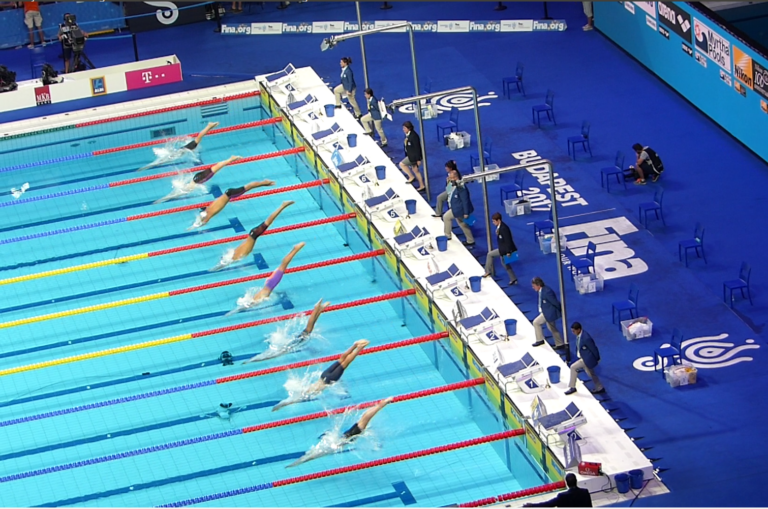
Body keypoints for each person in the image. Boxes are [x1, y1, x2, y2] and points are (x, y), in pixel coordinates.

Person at [287, 396, 393, 468]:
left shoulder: (359, 430)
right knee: (366, 416)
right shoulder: (359, 430)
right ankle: (383, 403)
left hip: (347, 436)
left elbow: (311, 457)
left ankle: (383, 403)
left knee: (366, 416)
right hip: (346, 436)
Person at [272, 339, 369, 411]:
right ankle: (355, 345)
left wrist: (279, 406)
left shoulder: (305, 394)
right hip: (323, 375)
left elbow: (290, 401)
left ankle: (359, 348)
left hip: (328, 380)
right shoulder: (305, 389)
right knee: (341, 360)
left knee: (345, 363)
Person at [209, 200, 294, 271]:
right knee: (267, 222)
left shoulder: (237, 254)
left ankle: (283, 206)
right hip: (251, 236)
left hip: (252, 236)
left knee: (267, 222)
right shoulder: (237, 254)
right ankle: (283, 206)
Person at [243, 298, 330, 363]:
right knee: (308, 329)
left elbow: (264, 357)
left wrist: (250, 361)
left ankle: (316, 309)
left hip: (293, 343)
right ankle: (319, 310)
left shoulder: (277, 352)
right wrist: (251, 360)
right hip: (291, 343)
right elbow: (263, 356)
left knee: (308, 329)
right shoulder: (276, 351)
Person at [227, 242, 305, 315]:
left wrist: (233, 311)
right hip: (270, 284)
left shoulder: (258, 299)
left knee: (283, 264)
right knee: (283, 264)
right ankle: (295, 250)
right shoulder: (258, 299)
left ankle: (295, 250)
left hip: (270, 284)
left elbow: (246, 305)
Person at [187, 179, 275, 230]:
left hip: (230, 195)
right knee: (247, 187)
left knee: (248, 187)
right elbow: (202, 220)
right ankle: (263, 183)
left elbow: (203, 223)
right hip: (227, 193)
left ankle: (264, 183)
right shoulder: (209, 208)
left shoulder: (209, 214)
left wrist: (192, 227)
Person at [155, 155, 242, 204]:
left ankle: (163, 199)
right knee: (182, 192)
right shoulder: (197, 182)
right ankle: (163, 199)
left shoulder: (199, 180)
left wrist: (230, 160)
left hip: (198, 177)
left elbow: (219, 165)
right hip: (198, 178)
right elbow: (219, 165)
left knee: (180, 192)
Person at [138, 122, 220, 171]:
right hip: (183, 150)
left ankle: (209, 126)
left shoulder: (192, 147)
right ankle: (209, 126)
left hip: (184, 149)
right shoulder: (192, 147)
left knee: (198, 138)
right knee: (199, 138)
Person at [565, 323, 604, 395]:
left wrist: (597, 358)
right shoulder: (579, 336)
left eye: (574, 331)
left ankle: (572, 387)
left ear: (579, 330)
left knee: (573, 367)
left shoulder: (586, 338)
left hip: (587, 359)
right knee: (591, 373)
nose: (573, 333)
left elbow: (593, 348)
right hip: (584, 358)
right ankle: (600, 387)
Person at [531, 277, 565, 350]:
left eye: (534, 286)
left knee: (536, 322)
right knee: (551, 328)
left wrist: (559, 310)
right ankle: (559, 343)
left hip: (549, 313)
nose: (533, 288)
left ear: (538, 285)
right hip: (546, 312)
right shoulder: (542, 290)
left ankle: (540, 340)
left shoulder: (547, 292)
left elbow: (555, 302)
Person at [484, 212, 518, 285]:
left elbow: (508, 240)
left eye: (494, 221)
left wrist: (508, 252)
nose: (493, 223)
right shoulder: (500, 227)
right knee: (505, 264)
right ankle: (513, 278)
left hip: (504, 250)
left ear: (498, 220)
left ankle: (487, 271)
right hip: (503, 248)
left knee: (490, 255)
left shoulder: (503, 228)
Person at [443, 169, 475, 247]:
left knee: (446, 217)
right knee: (462, 224)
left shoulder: (461, 187)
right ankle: (470, 240)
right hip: (456, 207)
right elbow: (448, 191)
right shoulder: (453, 184)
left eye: (450, 178)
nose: (449, 179)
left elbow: (465, 200)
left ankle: (447, 235)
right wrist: (447, 182)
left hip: (459, 209)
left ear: (455, 178)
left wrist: (466, 212)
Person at [523, 473, 592, 507]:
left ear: (567, 483)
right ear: (576, 481)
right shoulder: (585, 492)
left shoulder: (562, 496)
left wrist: (532, 505)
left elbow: (547, 504)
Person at [399, 121, 425, 192]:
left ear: (409, 128)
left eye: (404, 128)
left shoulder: (414, 136)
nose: (403, 129)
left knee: (403, 165)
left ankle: (420, 184)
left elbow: (418, 148)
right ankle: (415, 179)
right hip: (411, 156)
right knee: (415, 170)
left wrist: (418, 159)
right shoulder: (408, 134)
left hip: (414, 157)